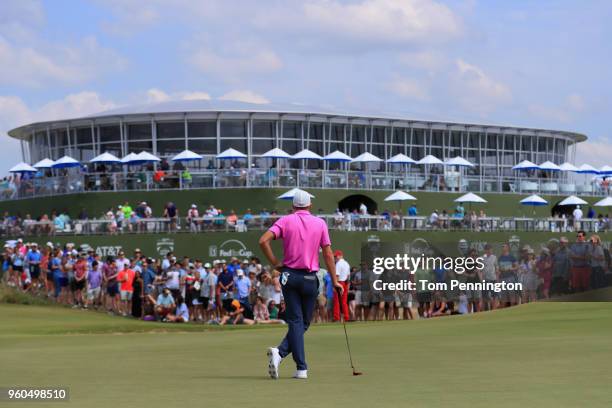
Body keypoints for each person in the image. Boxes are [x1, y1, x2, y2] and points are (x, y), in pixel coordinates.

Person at [259, 189, 341, 380]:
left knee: (298, 322)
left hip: (289, 276)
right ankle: (300, 367)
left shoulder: (286, 220)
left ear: (293, 206)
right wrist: (335, 281)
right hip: (310, 278)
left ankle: (281, 354)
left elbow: (263, 241)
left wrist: (275, 263)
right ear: (310, 205)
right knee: (302, 322)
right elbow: (328, 254)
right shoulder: (320, 223)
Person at [332, 250, 350, 322]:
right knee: (344, 301)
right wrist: (348, 285)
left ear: (341, 256)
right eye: (335, 256)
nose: (335, 257)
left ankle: (336, 317)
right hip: (345, 283)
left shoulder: (338, 264)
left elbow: (337, 275)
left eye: (336, 256)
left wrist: (334, 285)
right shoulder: (347, 263)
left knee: (337, 301)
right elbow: (348, 276)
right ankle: (346, 317)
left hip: (339, 283)